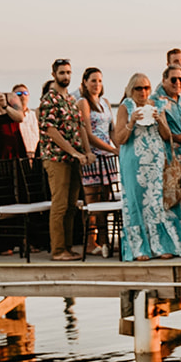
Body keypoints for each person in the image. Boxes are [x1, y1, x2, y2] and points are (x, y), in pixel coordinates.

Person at [112, 72, 181, 260]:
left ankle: (162, 245)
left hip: (156, 162)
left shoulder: (156, 105)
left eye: (146, 87)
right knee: (136, 202)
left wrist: (160, 120)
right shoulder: (126, 107)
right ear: (131, 90)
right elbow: (119, 139)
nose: (143, 92)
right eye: (138, 88)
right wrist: (132, 122)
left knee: (156, 202)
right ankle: (139, 249)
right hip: (134, 162)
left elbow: (166, 136)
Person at [38, 59, 93, 261]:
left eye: (68, 73)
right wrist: (73, 152)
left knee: (71, 205)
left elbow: (81, 126)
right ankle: (58, 249)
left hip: (74, 159)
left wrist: (86, 151)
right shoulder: (48, 100)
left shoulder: (70, 99)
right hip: (56, 158)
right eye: (62, 73)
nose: (66, 76)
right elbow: (50, 130)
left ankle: (68, 247)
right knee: (60, 205)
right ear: (54, 74)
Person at [78, 67, 117, 257]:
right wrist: (110, 148)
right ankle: (90, 242)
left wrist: (118, 148)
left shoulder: (106, 102)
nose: (97, 84)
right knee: (93, 200)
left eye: (99, 81)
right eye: (93, 81)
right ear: (85, 82)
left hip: (108, 157)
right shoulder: (83, 103)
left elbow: (112, 130)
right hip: (93, 156)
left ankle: (105, 241)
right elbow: (87, 133)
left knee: (106, 198)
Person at [12, 85, 40, 155]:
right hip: (19, 155)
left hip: (35, 154)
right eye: (19, 94)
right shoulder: (11, 117)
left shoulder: (34, 115)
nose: (22, 96)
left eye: (25, 93)